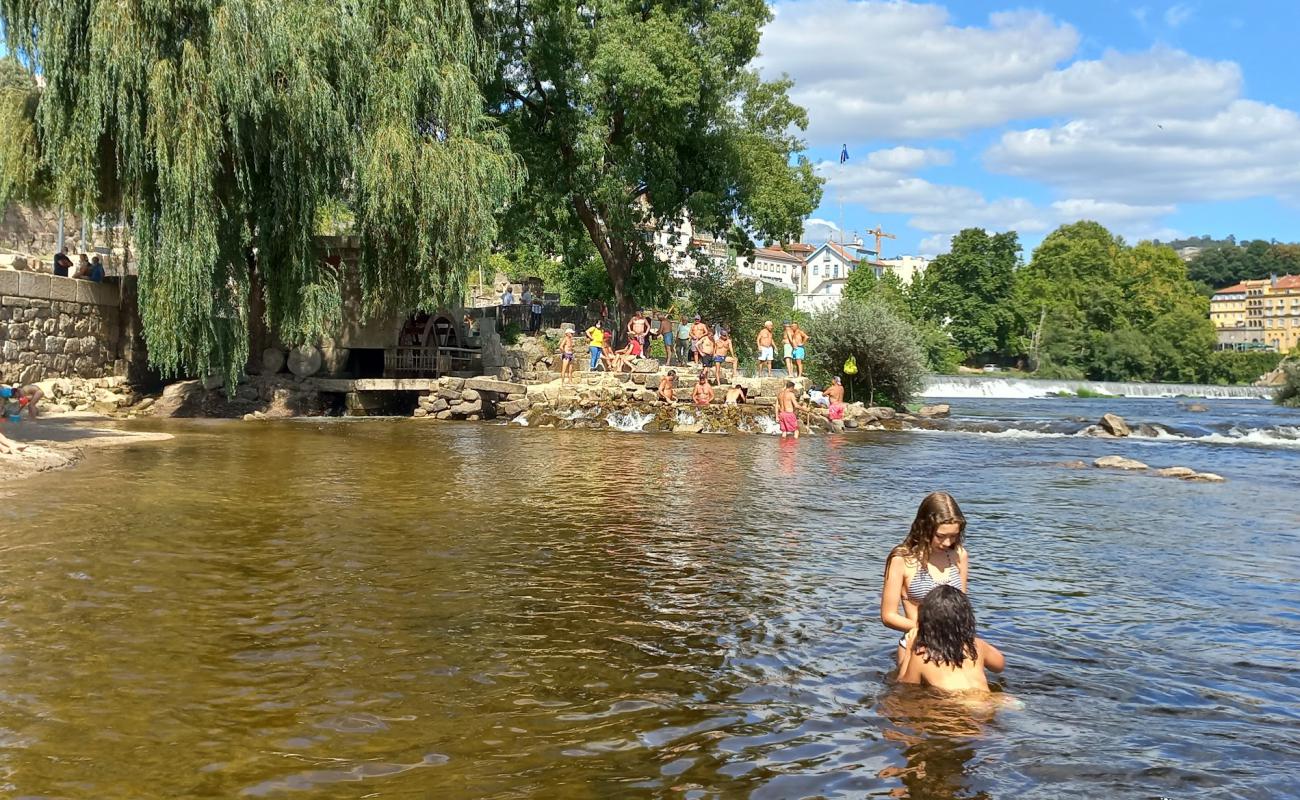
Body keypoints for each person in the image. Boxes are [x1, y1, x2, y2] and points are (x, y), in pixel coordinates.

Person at [881, 492, 970, 664]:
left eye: (953, 535)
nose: (947, 543)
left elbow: (962, 608)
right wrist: (921, 629)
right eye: (941, 536)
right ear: (924, 528)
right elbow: (888, 616)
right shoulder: (902, 559)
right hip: (918, 644)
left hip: (954, 643)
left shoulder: (959, 555)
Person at [896, 585, 1005, 693]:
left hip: (956, 705)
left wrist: (910, 651)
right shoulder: (976, 645)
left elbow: (904, 686)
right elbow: (999, 666)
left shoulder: (922, 657)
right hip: (989, 700)